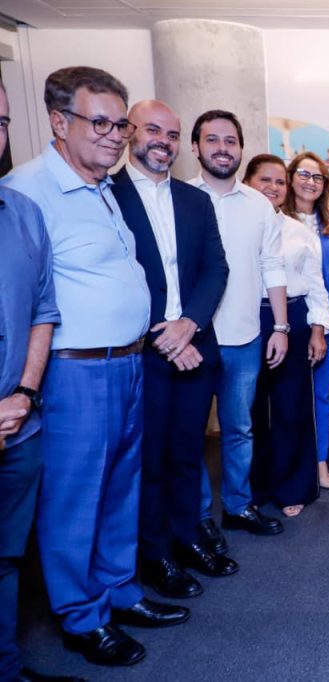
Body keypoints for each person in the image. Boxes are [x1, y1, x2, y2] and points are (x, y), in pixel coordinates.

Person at [1, 66, 187, 667]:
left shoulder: (102, 186)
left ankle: (118, 591)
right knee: (75, 500)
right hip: (74, 370)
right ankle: (81, 617)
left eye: (119, 124)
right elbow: (25, 301)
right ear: (59, 122)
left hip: (128, 363)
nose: (114, 136)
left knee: (119, 491)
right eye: (99, 123)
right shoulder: (28, 191)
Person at [110, 100, 236, 600]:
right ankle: (155, 555)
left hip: (196, 347)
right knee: (151, 461)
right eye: (153, 130)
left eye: (172, 133)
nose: (163, 140)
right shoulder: (108, 195)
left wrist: (189, 324)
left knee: (189, 454)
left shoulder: (194, 200)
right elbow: (115, 278)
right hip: (143, 352)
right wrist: (164, 335)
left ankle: (187, 540)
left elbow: (216, 269)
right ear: (130, 132)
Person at [0, 81, 76, 682]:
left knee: (6, 554)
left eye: (1, 122)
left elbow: (43, 311)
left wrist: (23, 395)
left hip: (18, 420)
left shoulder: (22, 212)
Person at [190, 110, 288, 553]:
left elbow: (273, 266)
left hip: (246, 337)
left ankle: (237, 505)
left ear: (241, 149)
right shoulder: (179, 198)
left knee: (239, 428)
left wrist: (281, 326)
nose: (222, 148)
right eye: (212, 140)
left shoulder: (258, 204)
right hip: (193, 341)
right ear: (195, 147)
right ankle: (197, 517)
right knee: (192, 434)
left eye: (230, 141)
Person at [241, 154, 329, 518]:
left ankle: (295, 486)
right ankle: (256, 486)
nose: (273, 187)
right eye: (265, 179)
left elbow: (316, 286)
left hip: (293, 317)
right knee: (251, 410)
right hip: (247, 318)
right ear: (247, 182)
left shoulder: (300, 231)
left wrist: (318, 330)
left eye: (279, 181)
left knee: (291, 406)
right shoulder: (232, 226)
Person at [282, 151, 329, 490]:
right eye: (304, 175)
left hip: (323, 323)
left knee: (321, 396)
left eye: (318, 177)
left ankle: (320, 461)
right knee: (288, 399)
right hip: (288, 321)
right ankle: (293, 465)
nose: (311, 182)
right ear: (291, 177)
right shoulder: (277, 220)